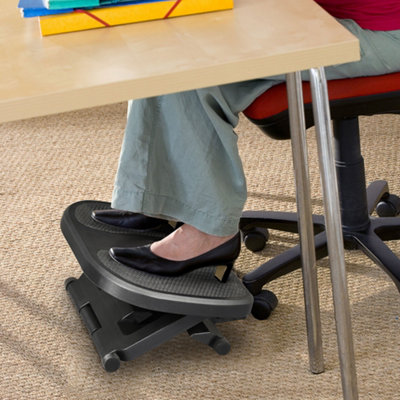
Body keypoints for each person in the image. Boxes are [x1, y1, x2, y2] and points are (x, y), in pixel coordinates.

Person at [93, 0, 400, 281]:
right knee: (169, 43)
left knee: (189, 62)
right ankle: (160, 198)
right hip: (318, 12)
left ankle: (208, 233)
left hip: (381, 31)